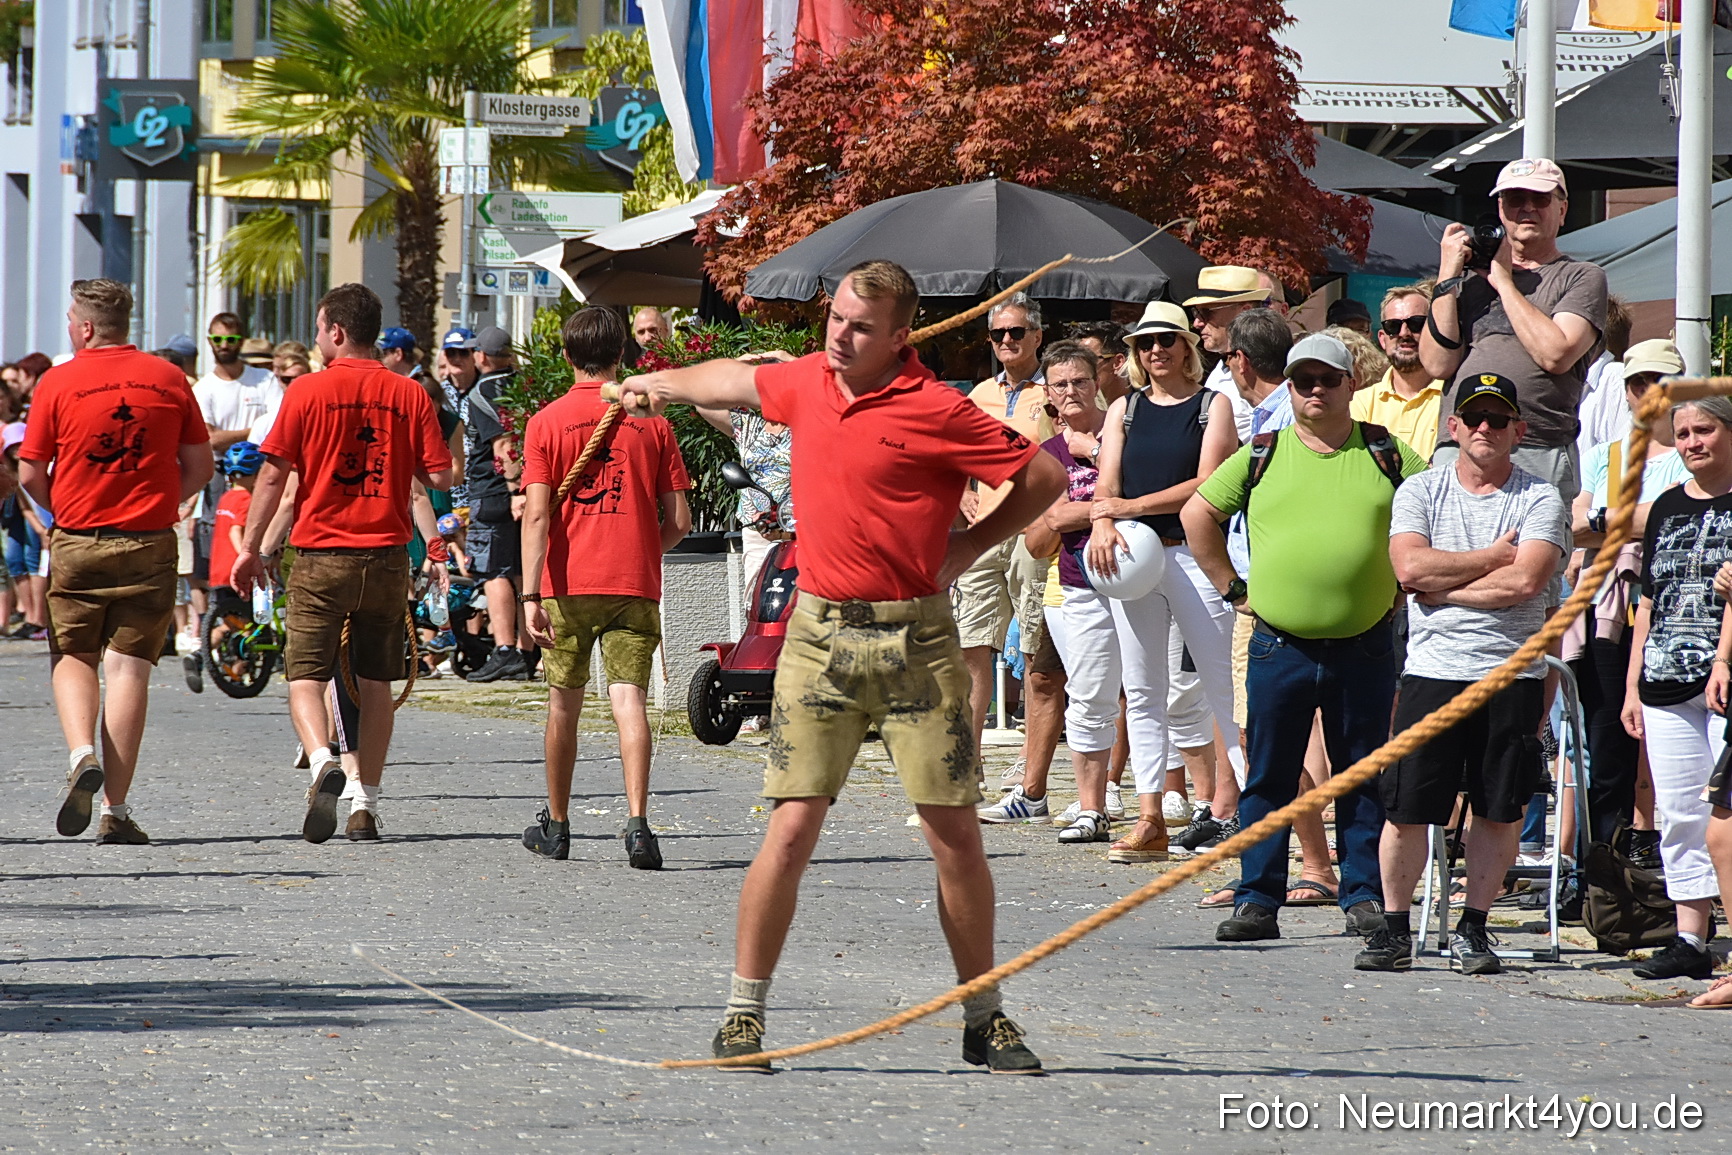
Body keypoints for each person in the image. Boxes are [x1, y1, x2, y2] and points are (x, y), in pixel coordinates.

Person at [615, 260, 1064, 1073]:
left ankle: (984, 1013)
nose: (839, 336)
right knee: (790, 827)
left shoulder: (938, 409)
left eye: (860, 327)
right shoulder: (809, 384)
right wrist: (664, 383)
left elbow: (1043, 475)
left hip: (917, 641)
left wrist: (967, 545)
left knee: (955, 835)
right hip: (817, 636)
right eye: (836, 320)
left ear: (901, 336)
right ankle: (743, 1014)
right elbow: (741, 380)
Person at [1182, 332, 1428, 943]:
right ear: (1289, 388)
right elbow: (1198, 514)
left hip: (1366, 644)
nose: (1314, 390)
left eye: (1327, 379)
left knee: (1361, 775)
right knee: (1268, 777)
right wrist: (1231, 589)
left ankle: (1364, 896)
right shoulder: (1262, 451)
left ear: (1352, 384)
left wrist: (1407, 579)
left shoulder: (1385, 451)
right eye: (1302, 381)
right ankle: (1258, 899)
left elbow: (1433, 505)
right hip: (1277, 642)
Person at [1356, 375, 1566, 975]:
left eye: (1498, 420)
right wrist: (1493, 558)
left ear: (1518, 432)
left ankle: (1474, 928)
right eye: (1473, 417)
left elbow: (1526, 584)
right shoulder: (1420, 490)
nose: (1484, 428)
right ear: (1453, 427)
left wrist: (1443, 590)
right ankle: (1396, 930)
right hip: (1431, 672)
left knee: (1497, 808)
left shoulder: (1539, 498)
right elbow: (1408, 567)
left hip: (1510, 675)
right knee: (1407, 807)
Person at [231, 283, 453, 843]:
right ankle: (366, 802)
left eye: (318, 327)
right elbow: (441, 477)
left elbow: (276, 478)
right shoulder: (409, 394)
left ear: (335, 331)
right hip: (384, 557)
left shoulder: (306, 391)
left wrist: (255, 548)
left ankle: (323, 758)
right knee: (376, 681)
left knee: (305, 675)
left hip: (320, 553)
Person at [17, 279, 213, 844]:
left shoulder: (58, 382)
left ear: (83, 327)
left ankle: (81, 753)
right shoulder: (169, 378)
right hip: (150, 540)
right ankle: (116, 811)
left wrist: (66, 511)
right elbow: (199, 465)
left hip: (79, 538)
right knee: (129, 668)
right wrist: (167, 503)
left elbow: (30, 471)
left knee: (74, 653)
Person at [518, 308, 692, 868]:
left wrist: (528, 595)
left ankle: (560, 826)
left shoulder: (545, 422)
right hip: (632, 583)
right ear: (623, 356)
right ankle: (639, 825)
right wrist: (642, 549)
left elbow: (538, 516)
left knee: (563, 707)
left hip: (566, 583)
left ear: (566, 356)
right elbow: (681, 521)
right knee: (629, 703)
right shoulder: (653, 424)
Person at [1083, 301, 1244, 863]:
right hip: (1134, 561)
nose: (1156, 350)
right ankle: (1150, 817)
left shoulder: (1212, 405)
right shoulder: (1123, 409)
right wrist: (1104, 519)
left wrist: (1125, 506)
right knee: (1143, 689)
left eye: (1167, 340)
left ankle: (1235, 811)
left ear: (1185, 347)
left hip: (1193, 555)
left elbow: (1206, 482)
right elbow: (1105, 479)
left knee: (1224, 687)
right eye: (1145, 342)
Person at [1421, 157, 1607, 515]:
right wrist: (1447, 275)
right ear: (1500, 209)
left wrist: (1503, 282)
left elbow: (1557, 354)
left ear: (1563, 209)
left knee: (1534, 564)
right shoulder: (1467, 282)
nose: (1527, 208)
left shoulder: (1580, 276)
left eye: (1540, 199)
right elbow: (1436, 363)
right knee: (1453, 558)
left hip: (1537, 445)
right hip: (1462, 443)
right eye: (1514, 200)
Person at [1619, 395, 1732, 982]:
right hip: (1664, 676)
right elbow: (1648, 600)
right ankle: (1690, 934)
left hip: (1724, 679)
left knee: (1726, 813)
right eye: (1683, 433)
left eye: (1704, 430)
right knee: (1679, 811)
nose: (1691, 442)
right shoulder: (1664, 506)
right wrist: (1633, 682)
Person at [1569, 340, 1687, 854]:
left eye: (1660, 381)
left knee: (1663, 736)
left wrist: (1607, 521)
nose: (1649, 392)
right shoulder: (1605, 455)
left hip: (1669, 608)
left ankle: (1646, 842)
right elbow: (1575, 526)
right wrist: (1634, 521)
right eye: (1639, 383)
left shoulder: (1693, 452)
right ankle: (1603, 863)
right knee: (1604, 739)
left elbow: (1673, 520)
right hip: (1606, 611)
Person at [955, 292, 1049, 774]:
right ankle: (965, 765)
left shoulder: (1056, 389)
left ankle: (1027, 765)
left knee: (1032, 649)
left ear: (1037, 335)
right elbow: (949, 452)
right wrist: (960, 495)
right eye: (998, 334)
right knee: (972, 647)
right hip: (984, 532)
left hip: (1032, 531)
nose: (1006, 341)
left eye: (1016, 332)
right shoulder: (979, 395)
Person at [192, 313, 283, 635]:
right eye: (217, 339)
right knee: (223, 546)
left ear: (241, 341)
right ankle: (218, 629)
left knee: (267, 539)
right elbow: (210, 439)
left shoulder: (264, 380)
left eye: (230, 340)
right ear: (209, 341)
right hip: (223, 475)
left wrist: (231, 434)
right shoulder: (205, 388)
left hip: (266, 470)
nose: (223, 346)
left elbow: (279, 423)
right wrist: (254, 429)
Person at [462, 326, 533, 683]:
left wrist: (513, 489)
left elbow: (504, 445)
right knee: (520, 570)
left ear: (483, 356)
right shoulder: (525, 383)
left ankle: (504, 650)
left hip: (495, 491)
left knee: (494, 571)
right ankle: (526, 650)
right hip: (525, 488)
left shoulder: (485, 390)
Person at [1351, 284, 1446, 462]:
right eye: (1393, 326)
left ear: (1434, 330)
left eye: (1416, 323)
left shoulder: (1453, 398)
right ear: (1382, 338)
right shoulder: (1361, 403)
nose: (1404, 333)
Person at [1186, 266, 1273, 443]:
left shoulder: (1269, 372)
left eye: (1206, 312)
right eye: (1195, 312)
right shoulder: (1219, 370)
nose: (1197, 323)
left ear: (1244, 311)